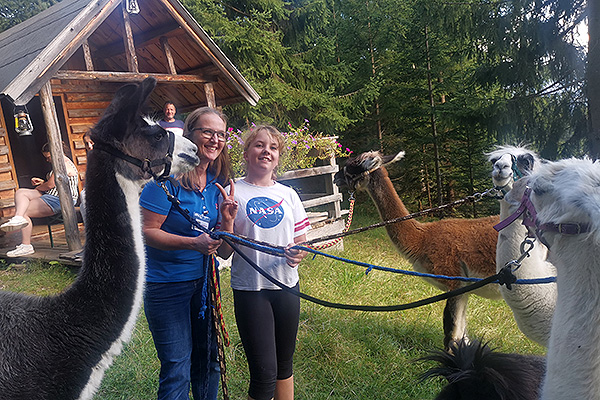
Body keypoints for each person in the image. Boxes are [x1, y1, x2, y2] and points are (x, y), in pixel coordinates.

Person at [140, 107, 238, 400]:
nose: (214, 139)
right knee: (177, 367)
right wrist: (191, 244)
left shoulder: (216, 184)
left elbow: (223, 252)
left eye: (220, 134)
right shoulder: (165, 181)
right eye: (207, 131)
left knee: (209, 361)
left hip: (204, 285)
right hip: (166, 287)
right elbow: (146, 231)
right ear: (190, 135)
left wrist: (228, 221)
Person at [219, 125, 310, 400]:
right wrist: (227, 220)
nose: (266, 152)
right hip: (251, 291)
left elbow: (302, 242)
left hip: (287, 287)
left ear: (278, 157)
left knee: (284, 366)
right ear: (246, 154)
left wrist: (299, 252)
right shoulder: (232, 192)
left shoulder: (289, 195)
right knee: (264, 372)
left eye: (272, 148)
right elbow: (224, 252)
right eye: (259, 145)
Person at [1, 142, 79, 257]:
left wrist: (40, 187)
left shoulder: (63, 164)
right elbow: (55, 183)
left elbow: (50, 186)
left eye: (48, 157)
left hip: (61, 199)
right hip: (52, 195)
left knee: (24, 211)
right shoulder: (61, 163)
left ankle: (26, 245)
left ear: (55, 153)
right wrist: (43, 182)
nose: (48, 160)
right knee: (21, 192)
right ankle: (17, 218)